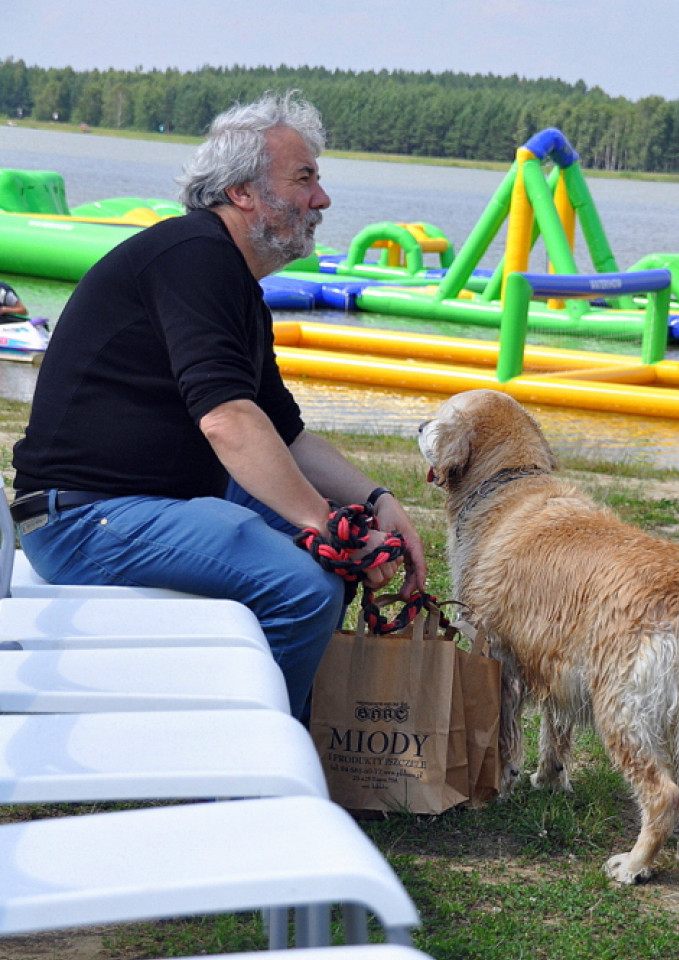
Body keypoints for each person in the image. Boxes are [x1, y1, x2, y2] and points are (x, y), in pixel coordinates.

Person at [11, 91, 427, 722]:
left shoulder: (229, 279)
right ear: (242, 192)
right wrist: (324, 525)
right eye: (305, 177)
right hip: (82, 520)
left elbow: (284, 436)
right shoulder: (194, 258)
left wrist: (374, 501)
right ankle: (256, 768)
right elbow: (227, 420)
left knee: (317, 544)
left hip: (148, 504)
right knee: (305, 587)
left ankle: (284, 724)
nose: (323, 199)